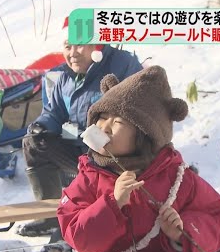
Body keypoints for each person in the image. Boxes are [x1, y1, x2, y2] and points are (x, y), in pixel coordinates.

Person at [57, 66, 220, 252]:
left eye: (118, 122)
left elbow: (219, 218)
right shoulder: (89, 177)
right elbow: (79, 238)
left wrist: (182, 231)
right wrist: (111, 203)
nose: (104, 127)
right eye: (102, 117)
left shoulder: (178, 178)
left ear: (144, 135)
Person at [17, 16, 143, 237]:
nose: (72, 52)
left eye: (79, 44)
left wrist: (96, 134)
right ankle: (50, 218)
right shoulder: (64, 76)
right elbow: (54, 113)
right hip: (80, 146)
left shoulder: (122, 65)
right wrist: (41, 126)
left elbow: (133, 111)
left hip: (115, 155)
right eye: (67, 46)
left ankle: (90, 225)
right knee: (34, 143)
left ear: (96, 45)